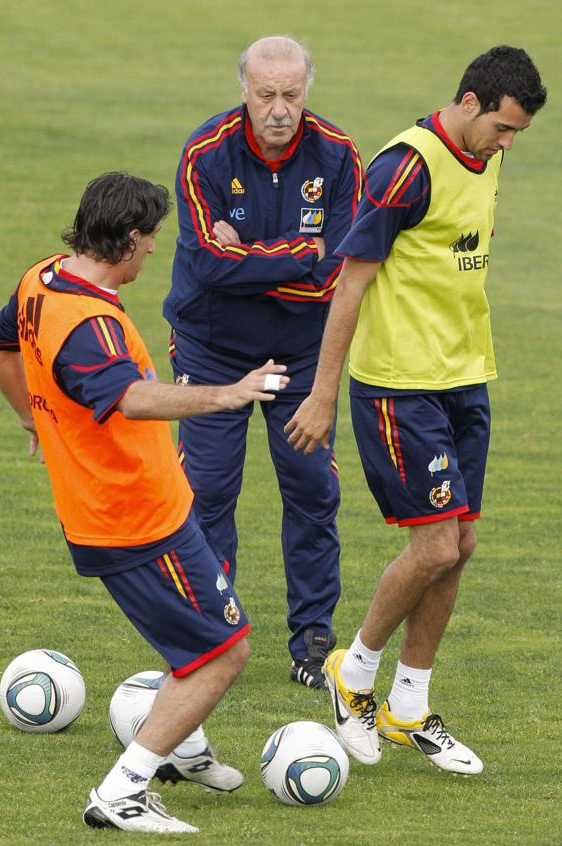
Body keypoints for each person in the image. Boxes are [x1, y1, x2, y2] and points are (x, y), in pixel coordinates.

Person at [0, 172, 289, 833]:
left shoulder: (43, 279)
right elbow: (132, 398)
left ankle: (183, 748)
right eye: (150, 238)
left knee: (194, 639)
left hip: (152, 506)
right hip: (133, 522)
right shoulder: (88, 325)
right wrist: (229, 393)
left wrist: (33, 418)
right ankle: (122, 790)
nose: (152, 249)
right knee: (225, 651)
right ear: (127, 238)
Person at [286, 46, 547, 774]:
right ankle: (353, 672)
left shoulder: (487, 154)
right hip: (399, 385)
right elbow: (350, 283)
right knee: (433, 548)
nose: (508, 143)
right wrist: (322, 394)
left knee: (460, 545)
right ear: (468, 102)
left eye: (518, 133)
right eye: (502, 127)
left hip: (465, 376)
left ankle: (409, 705)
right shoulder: (405, 167)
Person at [163, 36, 363, 690]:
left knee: (312, 488)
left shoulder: (338, 155)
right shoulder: (205, 154)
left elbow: (339, 273)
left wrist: (248, 256)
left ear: (307, 91)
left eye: (291, 95)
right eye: (266, 94)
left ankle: (313, 641)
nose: (279, 109)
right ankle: (210, 635)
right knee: (207, 492)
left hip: (302, 354)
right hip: (212, 349)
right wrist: (302, 252)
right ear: (244, 91)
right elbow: (206, 266)